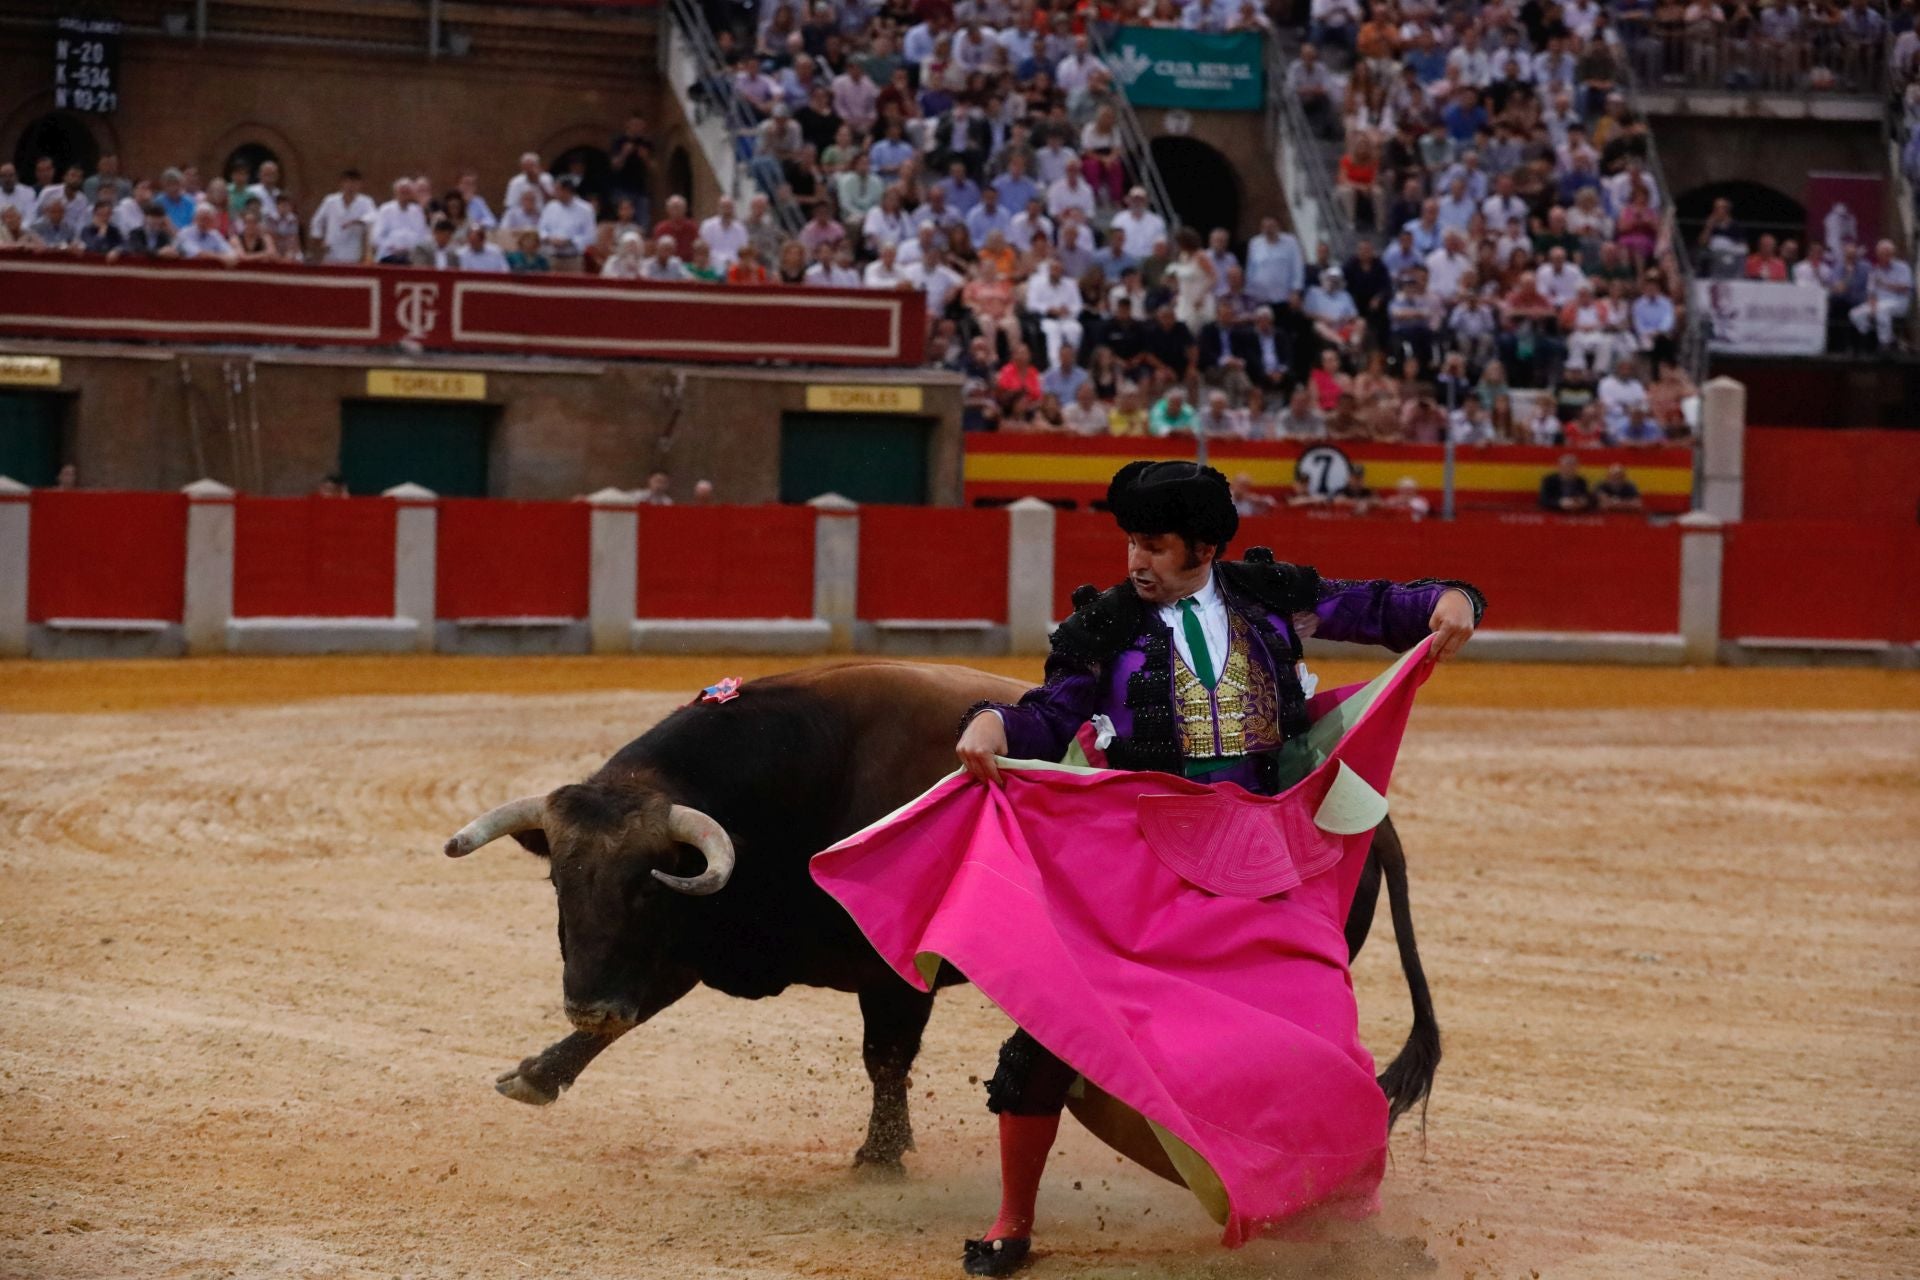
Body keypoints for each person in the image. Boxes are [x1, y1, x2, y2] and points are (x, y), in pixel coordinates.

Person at [921, 461, 1480, 1276]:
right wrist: (993, 725)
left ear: (1206, 546)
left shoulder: (1266, 595)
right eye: (1130, 543)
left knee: (1324, 1043)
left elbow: (1383, 606)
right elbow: (1048, 717)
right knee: (1055, 1029)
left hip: (1263, 851)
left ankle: (1337, 1220)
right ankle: (1013, 1220)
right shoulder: (1103, 626)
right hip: (1142, 859)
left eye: (1154, 545)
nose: (1135, 561)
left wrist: (1453, 598)